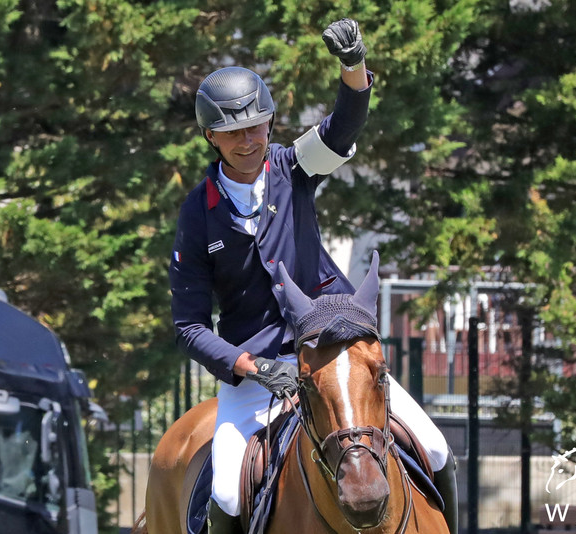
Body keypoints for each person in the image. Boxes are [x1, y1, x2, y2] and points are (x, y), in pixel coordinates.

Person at [169, 18, 457, 534]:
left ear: (271, 124)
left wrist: (353, 67)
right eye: (233, 131)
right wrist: (250, 366)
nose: (248, 140)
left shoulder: (293, 167)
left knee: (435, 448)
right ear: (210, 135)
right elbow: (189, 326)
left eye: (256, 126)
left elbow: (343, 126)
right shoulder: (197, 213)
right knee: (228, 491)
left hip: (335, 350)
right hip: (258, 374)